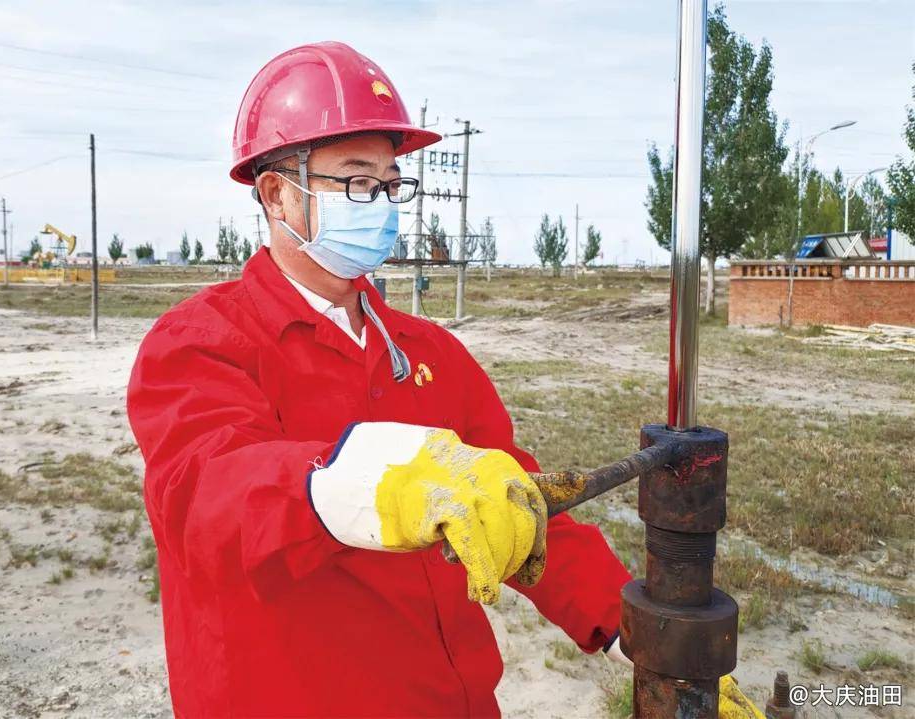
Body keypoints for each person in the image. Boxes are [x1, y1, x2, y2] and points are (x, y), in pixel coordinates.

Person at [127, 40, 761, 719]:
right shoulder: (201, 342)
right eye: (356, 180)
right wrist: (369, 480)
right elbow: (208, 497)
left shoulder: (428, 352)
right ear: (278, 194)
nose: (381, 201)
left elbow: (522, 504)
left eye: (390, 182)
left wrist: (641, 640)